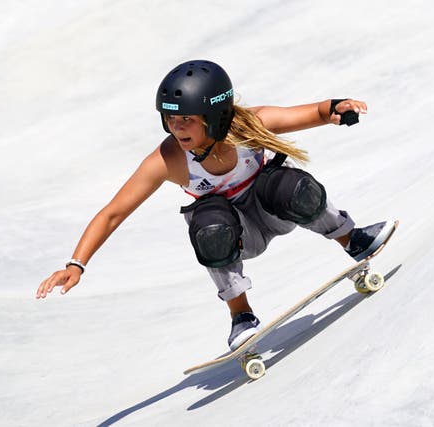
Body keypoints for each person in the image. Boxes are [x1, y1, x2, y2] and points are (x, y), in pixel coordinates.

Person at [36, 59, 394, 351]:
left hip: (273, 208)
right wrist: (76, 264)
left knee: (292, 184)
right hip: (237, 234)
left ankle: (354, 240)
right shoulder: (168, 159)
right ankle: (241, 316)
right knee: (208, 221)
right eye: (170, 119)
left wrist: (338, 109)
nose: (177, 129)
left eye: (186, 120)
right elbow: (112, 213)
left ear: (216, 116)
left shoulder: (248, 124)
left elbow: (313, 112)